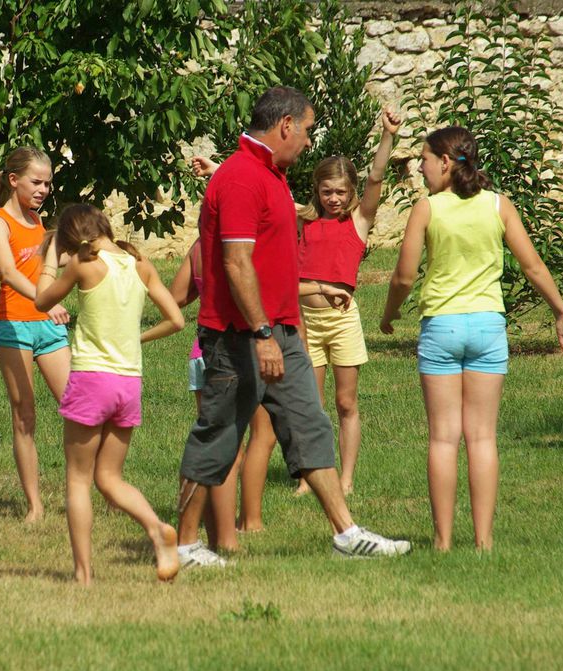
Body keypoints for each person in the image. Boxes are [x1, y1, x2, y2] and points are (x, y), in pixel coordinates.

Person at [176, 87, 412, 568]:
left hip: (280, 331)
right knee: (218, 435)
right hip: (239, 336)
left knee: (310, 426)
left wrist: (282, 330)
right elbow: (237, 263)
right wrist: (263, 334)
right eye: (305, 131)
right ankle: (183, 545)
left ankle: (346, 533)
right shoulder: (242, 177)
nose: (308, 142)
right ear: (285, 126)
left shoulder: (268, 174)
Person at [380, 126, 563, 551]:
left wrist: (390, 312)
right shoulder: (498, 205)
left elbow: (402, 275)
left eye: (425, 159)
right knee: (483, 438)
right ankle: (485, 542)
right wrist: (561, 312)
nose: (420, 166)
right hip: (488, 328)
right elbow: (533, 267)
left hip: (443, 328)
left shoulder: (427, 209)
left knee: (442, 438)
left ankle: (443, 542)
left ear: (446, 163)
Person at [35, 204, 183, 585]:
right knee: (109, 478)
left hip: (90, 381)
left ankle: (83, 574)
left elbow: (41, 302)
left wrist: (51, 259)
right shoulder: (139, 265)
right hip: (128, 384)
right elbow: (177, 320)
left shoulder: (82, 266)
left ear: (71, 238)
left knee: (79, 480)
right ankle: (155, 528)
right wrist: (137, 338)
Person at [292, 109, 402, 497]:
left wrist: (387, 136)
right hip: (306, 320)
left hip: (342, 322)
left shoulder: (358, 222)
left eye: (341, 192)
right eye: (327, 191)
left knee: (345, 402)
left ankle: (346, 478)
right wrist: (216, 170)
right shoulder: (303, 221)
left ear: (351, 192)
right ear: (316, 191)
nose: (334, 198)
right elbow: (262, 196)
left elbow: (376, 177)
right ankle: (310, 476)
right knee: (311, 404)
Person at [0, 147, 71, 523]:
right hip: (14, 326)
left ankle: (82, 488)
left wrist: (93, 254)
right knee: (24, 416)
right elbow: (10, 274)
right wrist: (47, 300)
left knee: (77, 408)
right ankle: (35, 506)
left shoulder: (35, 217)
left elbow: (47, 260)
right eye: (37, 181)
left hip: (48, 327)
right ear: (14, 180)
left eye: (48, 183)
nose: (44, 189)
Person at [170, 239, 276, 543]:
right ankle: (249, 521)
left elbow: (176, 296)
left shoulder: (199, 246)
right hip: (239, 350)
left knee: (215, 442)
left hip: (200, 351)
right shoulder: (245, 248)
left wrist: (201, 291)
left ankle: (217, 527)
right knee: (260, 435)